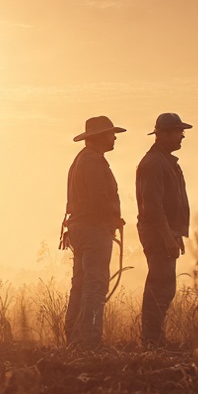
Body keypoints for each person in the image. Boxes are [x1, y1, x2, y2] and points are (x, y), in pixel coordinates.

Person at [63, 115, 126, 349]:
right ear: (100, 137)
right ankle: (89, 338)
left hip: (81, 228)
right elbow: (99, 197)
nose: (114, 137)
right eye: (111, 134)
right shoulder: (93, 162)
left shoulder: (82, 159)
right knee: (95, 283)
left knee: (80, 283)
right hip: (93, 229)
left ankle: (74, 335)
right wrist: (113, 218)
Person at [136, 112, 192, 348]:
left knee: (163, 284)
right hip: (159, 233)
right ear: (165, 134)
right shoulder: (155, 164)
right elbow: (153, 206)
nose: (182, 137)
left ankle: (154, 337)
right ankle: (152, 338)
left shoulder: (163, 161)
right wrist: (168, 236)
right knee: (161, 284)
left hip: (165, 233)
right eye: (179, 132)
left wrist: (175, 234)